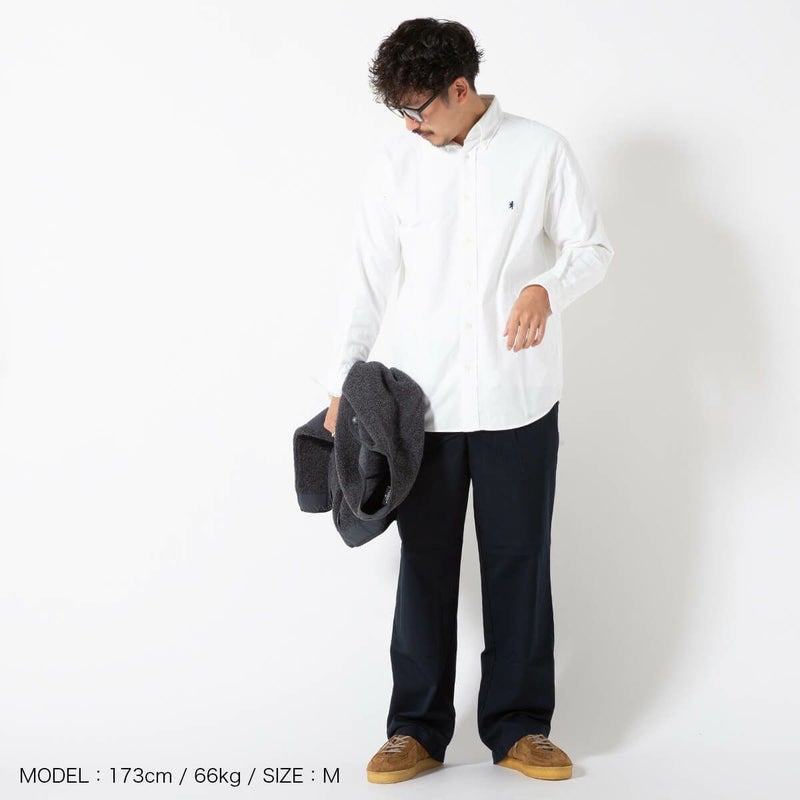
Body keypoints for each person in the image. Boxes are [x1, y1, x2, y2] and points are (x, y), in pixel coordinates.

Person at [317, 17, 614, 784]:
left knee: (520, 562)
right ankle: (414, 730)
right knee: (424, 565)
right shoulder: (395, 167)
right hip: (425, 406)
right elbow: (366, 279)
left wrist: (547, 286)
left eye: (417, 109)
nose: (409, 125)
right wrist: (341, 384)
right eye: (399, 111)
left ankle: (520, 727)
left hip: (520, 397)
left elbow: (592, 248)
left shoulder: (541, 151)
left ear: (460, 89)